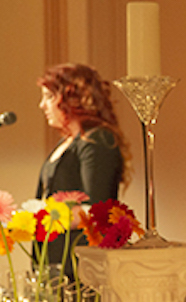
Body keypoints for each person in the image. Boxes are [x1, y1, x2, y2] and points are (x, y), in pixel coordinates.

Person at [34, 63, 131, 274]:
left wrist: (41, 218)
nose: (42, 105)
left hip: (79, 266)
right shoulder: (66, 143)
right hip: (53, 260)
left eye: (49, 97)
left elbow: (98, 209)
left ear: (73, 98)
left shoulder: (98, 140)